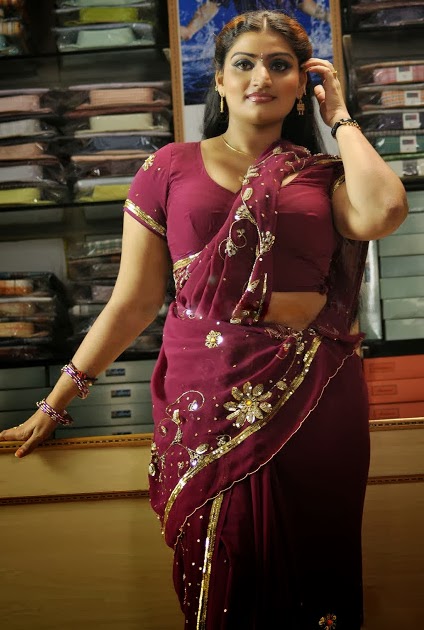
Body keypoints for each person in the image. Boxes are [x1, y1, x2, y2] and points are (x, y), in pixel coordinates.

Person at [0, 10, 407, 630]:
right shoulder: (168, 167)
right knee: (228, 564)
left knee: (316, 570)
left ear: (303, 83)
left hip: (314, 399)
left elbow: (384, 212)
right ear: (218, 79)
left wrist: (342, 116)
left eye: (280, 65)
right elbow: (134, 301)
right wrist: (56, 402)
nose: (261, 77)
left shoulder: (324, 176)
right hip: (209, 398)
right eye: (244, 63)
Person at [180, 0, 329, 41]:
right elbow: (213, 4)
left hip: (284, 36)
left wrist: (330, 18)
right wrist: (190, 30)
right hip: (254, 36)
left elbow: (305, 4)